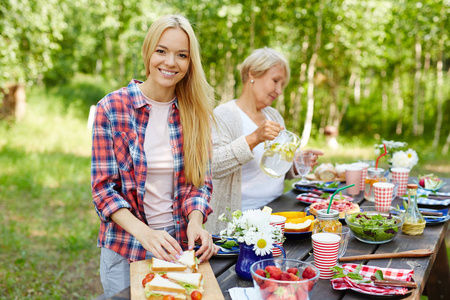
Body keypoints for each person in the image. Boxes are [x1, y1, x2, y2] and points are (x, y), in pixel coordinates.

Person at [91, 14, 218, 297]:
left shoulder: (195, 114)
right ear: (148, 52)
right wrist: (146, 235)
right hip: (126, 247)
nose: (170, 62)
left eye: (181, 55)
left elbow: (199, 184)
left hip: (179, 249)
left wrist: (196, 223)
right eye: (162, 51)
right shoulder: (112, 108)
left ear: (190, 62)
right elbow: (103, 191)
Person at [206, 47, 323, 234]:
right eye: (275, 81)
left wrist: (297, 164)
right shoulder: (224, 115)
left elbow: (275, 166)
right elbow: (212, 167)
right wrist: (254, 138)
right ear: (252, 74)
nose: (279, 90)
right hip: (238, 223)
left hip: (277, 213)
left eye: (282, 85)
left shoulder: (273, 115)